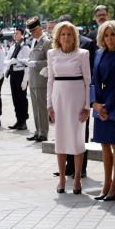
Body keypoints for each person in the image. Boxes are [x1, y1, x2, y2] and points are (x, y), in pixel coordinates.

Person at [46, 20, 91, 194]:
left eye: (69, 34)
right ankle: (62, 178)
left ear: (74, 37)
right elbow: (50, 80)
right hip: (59, 98)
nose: (66, 37)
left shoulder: (83, 54)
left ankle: (78, 177)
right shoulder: (52, 54)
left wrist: (87, 106)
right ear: (58, 36)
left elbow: (88, 81)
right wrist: (49, 105)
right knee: (61, 138)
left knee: (77, 139)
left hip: (77, 99)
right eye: (63, 34)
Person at [90, 19, 115, 201]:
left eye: (112, 34)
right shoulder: (98, 54)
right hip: (99, 105)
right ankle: (105, 184)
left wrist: (108, 107)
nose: (110, 38)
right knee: (104, 145)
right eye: (106, 35)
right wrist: (94, 103)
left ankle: (114, 184)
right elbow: (94, 81)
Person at [25, 16, 51, 142]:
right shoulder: (34, 41)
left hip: (41, 79)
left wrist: (36, 63)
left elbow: (50, 60)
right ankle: (37, 130)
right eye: (31, 32)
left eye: (34, 31)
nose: (32, 34)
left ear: (40, 28)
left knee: (41, 107)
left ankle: (43, 132)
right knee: (35, 107)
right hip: (33, 79)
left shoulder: (47, 42)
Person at [4, 26, 31, 130]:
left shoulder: (25, 48)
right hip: (13, 73)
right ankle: (18, 120)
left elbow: (27, 64)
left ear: (23, 35)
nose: (15, 35)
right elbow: (6, 60)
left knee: (22, 98)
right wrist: (10, 62)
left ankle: (23, 121)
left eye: (18, 33)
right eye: (14, 33)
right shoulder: (12, 47)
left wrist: (25, 79)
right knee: (15, 98)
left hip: (21, 73)